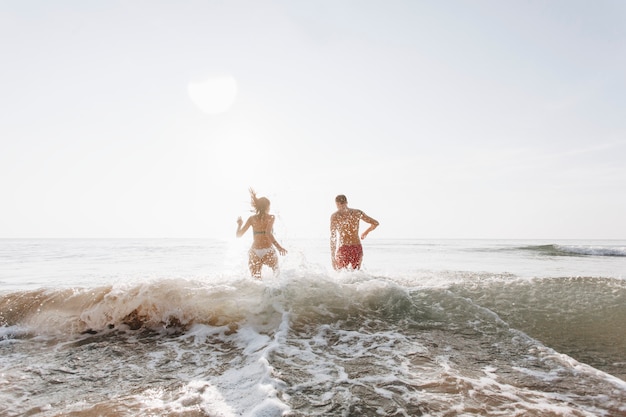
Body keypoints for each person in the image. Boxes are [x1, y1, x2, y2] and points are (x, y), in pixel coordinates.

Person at [236, 189, 287, 278]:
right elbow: (268, 233)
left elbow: (238, 235)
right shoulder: (271, 217)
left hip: (254, 251)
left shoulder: (252, 218)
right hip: (268, 250)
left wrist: (239, 225)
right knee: (277, 275)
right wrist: (279, 247)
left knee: (256, 281)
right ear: (267, 206)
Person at [330, 194, 379, 270]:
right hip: (356, 248)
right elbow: (375, 223)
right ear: (347, 202)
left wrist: (332, 257)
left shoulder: (335, 216)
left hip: (344, 248)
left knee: (341, 276)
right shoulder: (357, 213)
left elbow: (333, 237)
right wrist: (366, 232)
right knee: (356, 276)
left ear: (337, 204)